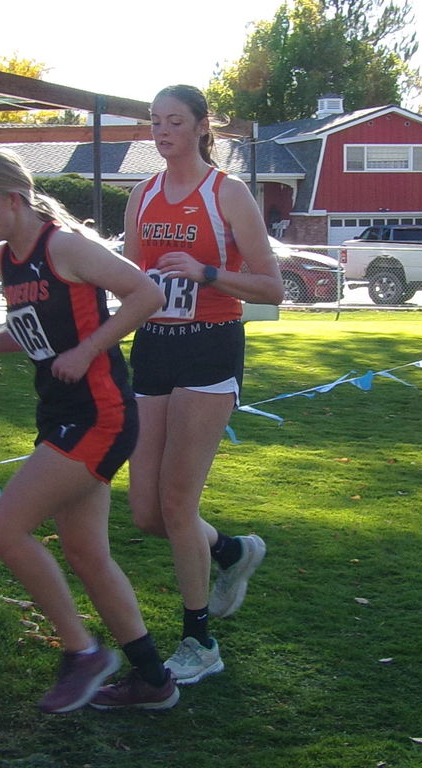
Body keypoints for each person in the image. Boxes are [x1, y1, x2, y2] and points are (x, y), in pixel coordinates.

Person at [0, 149, 178, 711]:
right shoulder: (10, 258)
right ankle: (154, 680)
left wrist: (89, 350)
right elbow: (37, 334)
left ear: (13, 198)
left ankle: (82, 652)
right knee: (86, 554)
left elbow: (147, 294)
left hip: (99, 414)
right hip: (60, 414)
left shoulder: (64, 246)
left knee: (6, 530)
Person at [123, 84, 284, 685]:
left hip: (210, 346)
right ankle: (230, 551)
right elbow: (135, 281)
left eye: (173, 121)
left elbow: (272, 288)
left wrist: (206, 272)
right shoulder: (141, 195)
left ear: (199, 127)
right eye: (154, 121)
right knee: (145, 512)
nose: (162, 132)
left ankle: (199, 641)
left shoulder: (228, 194)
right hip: (154, 349)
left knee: (176, 503)